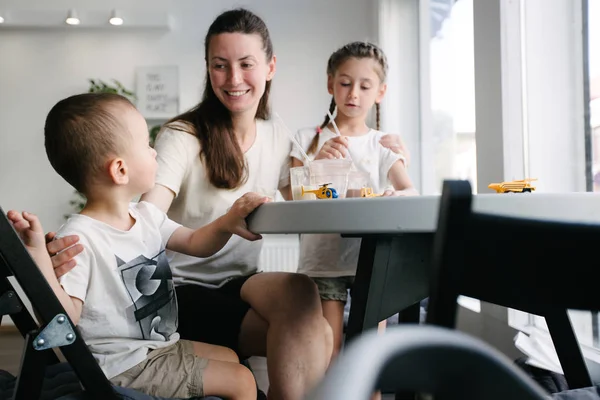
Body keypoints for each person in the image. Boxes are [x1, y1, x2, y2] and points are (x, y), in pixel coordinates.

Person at [46, 8, 412, 400]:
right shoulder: (181, 135)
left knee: (302, 292)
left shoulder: (276, 134)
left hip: (239, 284)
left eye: (246, 64)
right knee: (317, 331)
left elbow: (302, 203)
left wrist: (321, 171)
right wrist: (84, 244)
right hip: (184, 289)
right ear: (208, 69)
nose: (234, 79)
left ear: (270, 67)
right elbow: (145, 215)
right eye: (220, 66)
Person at [16, 92, 269, 399]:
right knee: (241, 380)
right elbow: (65, 318)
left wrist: (227, 222)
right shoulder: (82, 237)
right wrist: (39, 258)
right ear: (120, 170)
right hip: (124, 365)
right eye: (147, 146)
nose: (154, 153)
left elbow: (195, 242)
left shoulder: (147, 216)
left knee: (229, 356)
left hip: (159, 347)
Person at [290, 41, 419, 359]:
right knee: (327, 355)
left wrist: (394, 193)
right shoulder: (307, 140)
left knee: (367, 357)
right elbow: (295, 201)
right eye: (345, 83)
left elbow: (409, 191)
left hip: (372, 261)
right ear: (330, 83)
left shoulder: (383, 143)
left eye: (365, 86)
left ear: (380, 92)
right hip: (323, 263)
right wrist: (317, 163)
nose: (353, 94)